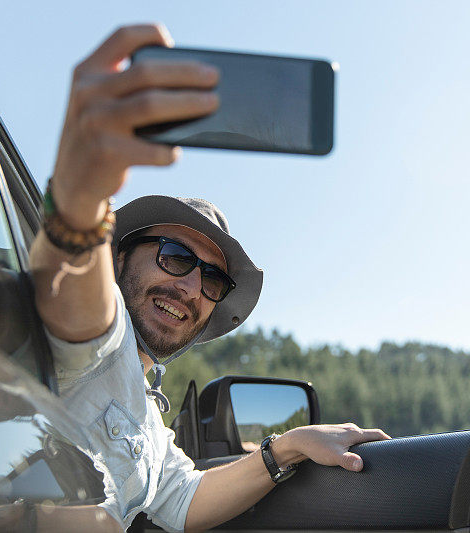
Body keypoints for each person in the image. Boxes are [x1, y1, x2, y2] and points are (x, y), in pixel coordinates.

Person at [29, 24, 390, 532]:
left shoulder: (147, 412)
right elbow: (73, 299)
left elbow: (183, 499)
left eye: (213, 280)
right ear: (118, 260)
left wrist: (288, 445)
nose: (193, 289)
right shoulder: (98, 341)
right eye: (175, 256)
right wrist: (78, 198)